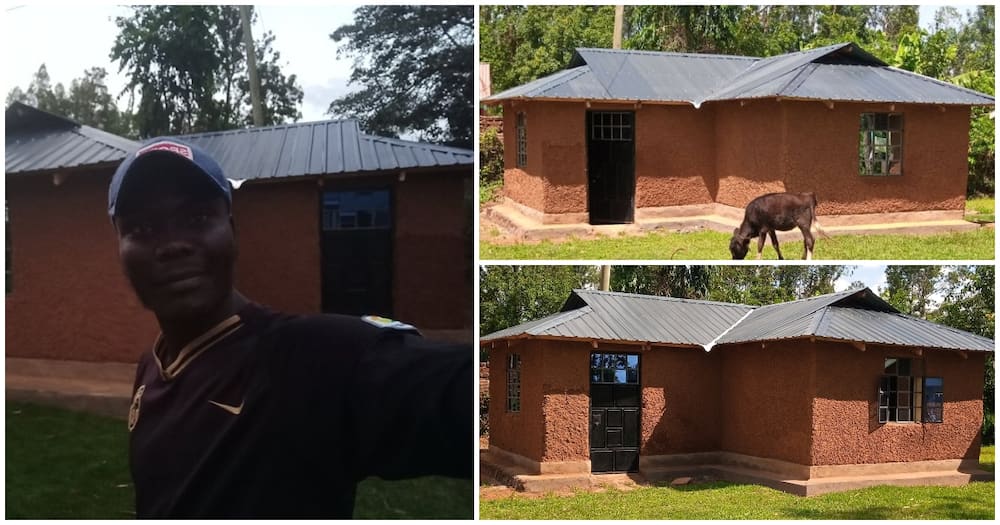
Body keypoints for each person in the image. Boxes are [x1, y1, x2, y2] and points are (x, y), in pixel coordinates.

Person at [108, 138, 473, 518]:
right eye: (142, 228)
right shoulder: (150, 368)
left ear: (231, 230)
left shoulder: (314, 360)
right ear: (119, 248)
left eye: (197, 219)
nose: (172, 245)